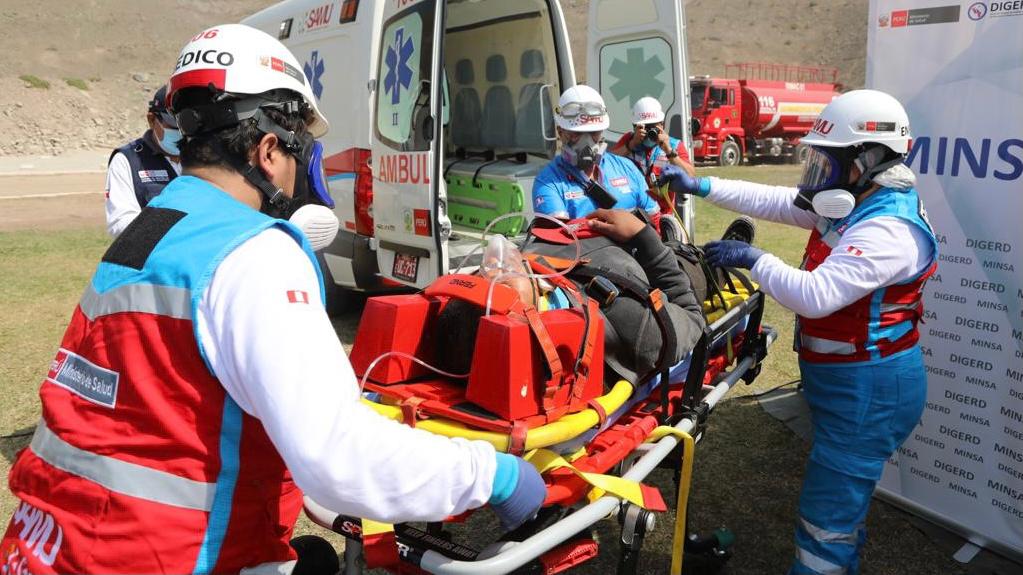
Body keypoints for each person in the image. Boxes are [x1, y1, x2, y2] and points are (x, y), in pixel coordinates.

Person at [1, 24, 544, 575]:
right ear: (267, 150)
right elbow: (341, 458)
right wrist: (493, 475)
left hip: (44, 549)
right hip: (167, 557)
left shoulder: (145, 235)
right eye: (299, 155)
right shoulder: (253, 253)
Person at [658, 89, 937, 575]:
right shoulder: (858, 199)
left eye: (827, 161)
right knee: (839, 508)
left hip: (869, 390)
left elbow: (814, 294)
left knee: (825, 525)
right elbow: (781, 200)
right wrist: (702, 186)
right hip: (851, 381)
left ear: (867, 159)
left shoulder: (888, 229)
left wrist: (754, 259)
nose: (818, 172)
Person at [435, 208, 705, 388]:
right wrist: (645, 238)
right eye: (497, 278)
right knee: (700, 261)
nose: (494, 261)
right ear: (526, 314)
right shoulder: (634, 326)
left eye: (481, 274)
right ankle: (694, 252)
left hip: (601, 239)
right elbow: (693, 314)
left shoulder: (528, 275)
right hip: (661, 265)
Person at [532, 85, 659, 220]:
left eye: (593, 133)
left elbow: (655, 221)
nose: (586, 142)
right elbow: (558, 236)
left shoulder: (627, 169)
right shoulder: (548, 182)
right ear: (560, 132)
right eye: (576, 134)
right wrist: (623, 229)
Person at [105, 84, 182, 237]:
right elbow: (119, 223)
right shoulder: (128, 160)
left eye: (185, 127)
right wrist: (177, 225)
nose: (181, 134)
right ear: (152, 120)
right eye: (173, 127)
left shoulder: (204, 156)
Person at [611, 96, 695, 186]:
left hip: (662, 200)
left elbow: (691, 177)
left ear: (662, 125)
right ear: (635, 126)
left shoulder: (674, 145)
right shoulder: (629, 140)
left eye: (653, 126)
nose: (649, 132)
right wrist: (631, 144)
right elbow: (608, 164)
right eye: (645, 127)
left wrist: (669, 151)